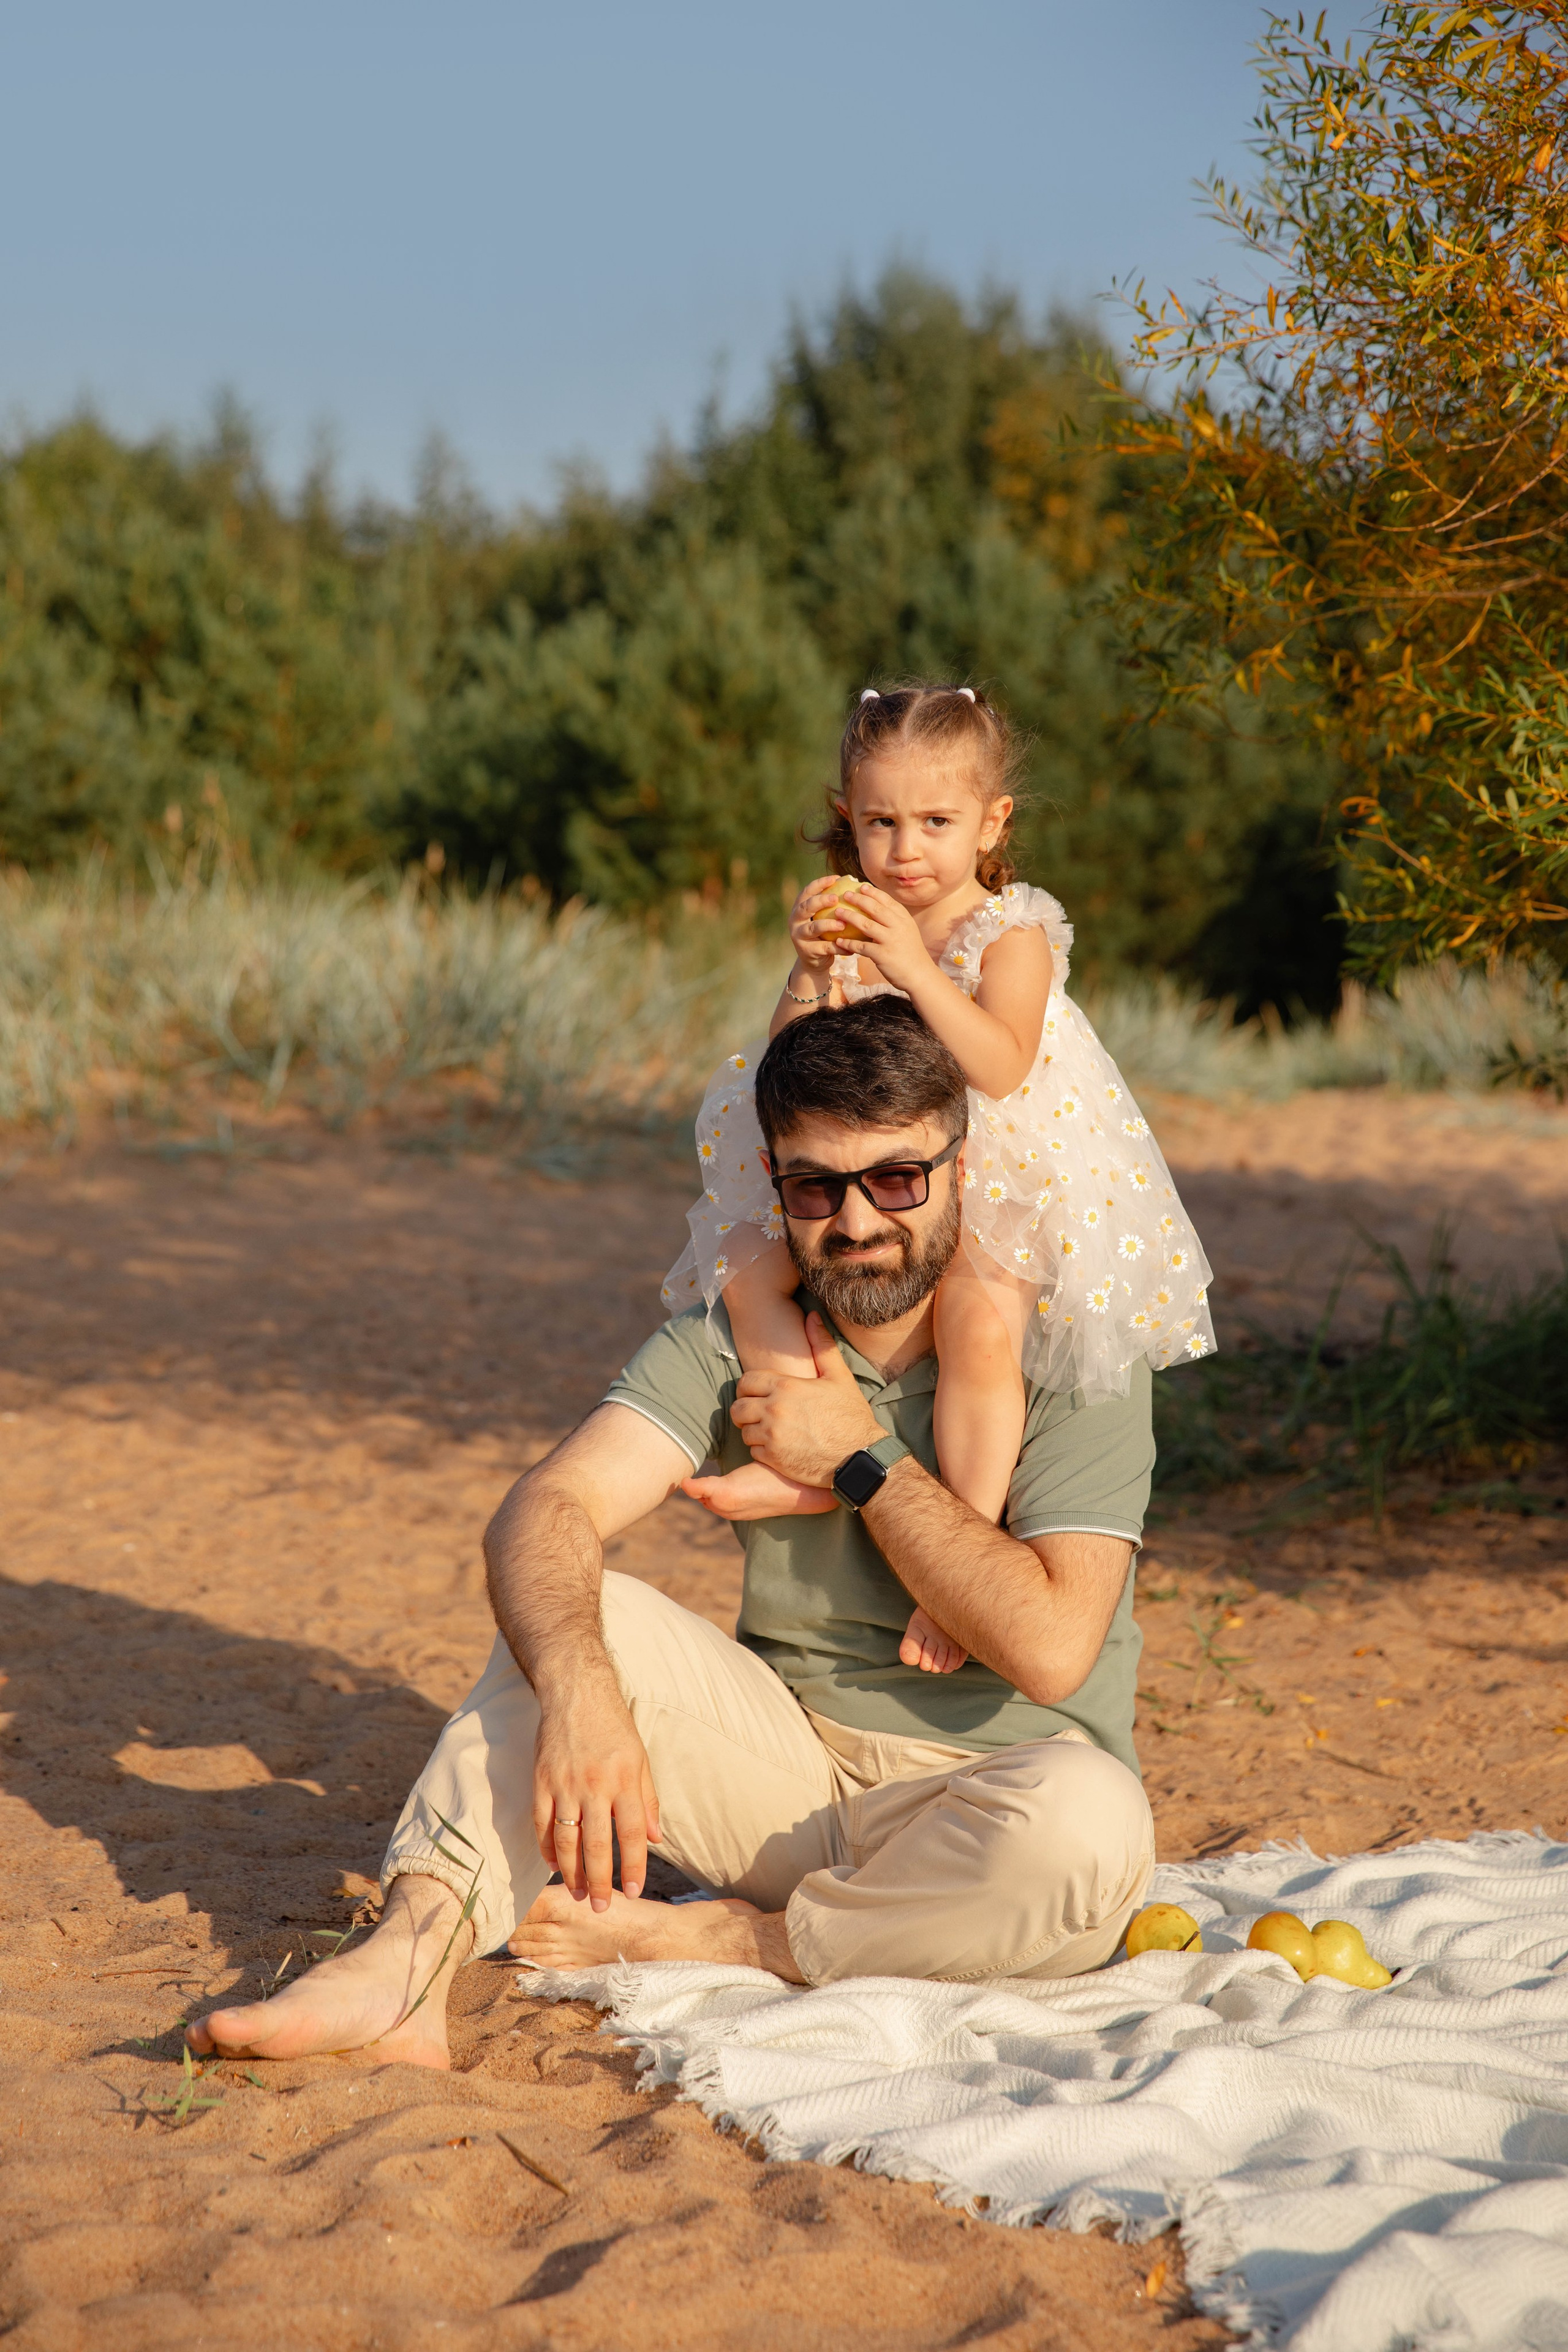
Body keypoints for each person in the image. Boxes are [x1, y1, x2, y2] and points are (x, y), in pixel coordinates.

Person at [187, 996, 1163, 2071]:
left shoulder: (1076, 1354)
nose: (855, 1221)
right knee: (575, 1609)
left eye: (895, 1178)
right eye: (814, 1187)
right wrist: (581, 1686)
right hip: (785, 1785)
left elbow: (1053, 1644)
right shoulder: (740, 1332)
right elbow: (547, 1507)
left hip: (997, 1813)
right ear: (774, 1187)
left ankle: (742, 1941)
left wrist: (861, 1459)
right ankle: (404, 1966)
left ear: (961, 1171)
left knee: (1091, 1822)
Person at [666, 681, 1214, 1676]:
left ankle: (965, 1544)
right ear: (849, 821)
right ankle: (804, 1462)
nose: (905, 849)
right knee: (747, 1262)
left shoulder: (1010, 933)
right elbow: (787, 1082)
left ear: (991, 823)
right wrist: (807, 969)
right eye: (880, 822)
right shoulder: (853, 924)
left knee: (974, 1320)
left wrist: (914, 969)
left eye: (935, 821)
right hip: (876, 1162)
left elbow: (1001, 1064)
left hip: (1003, 1170)